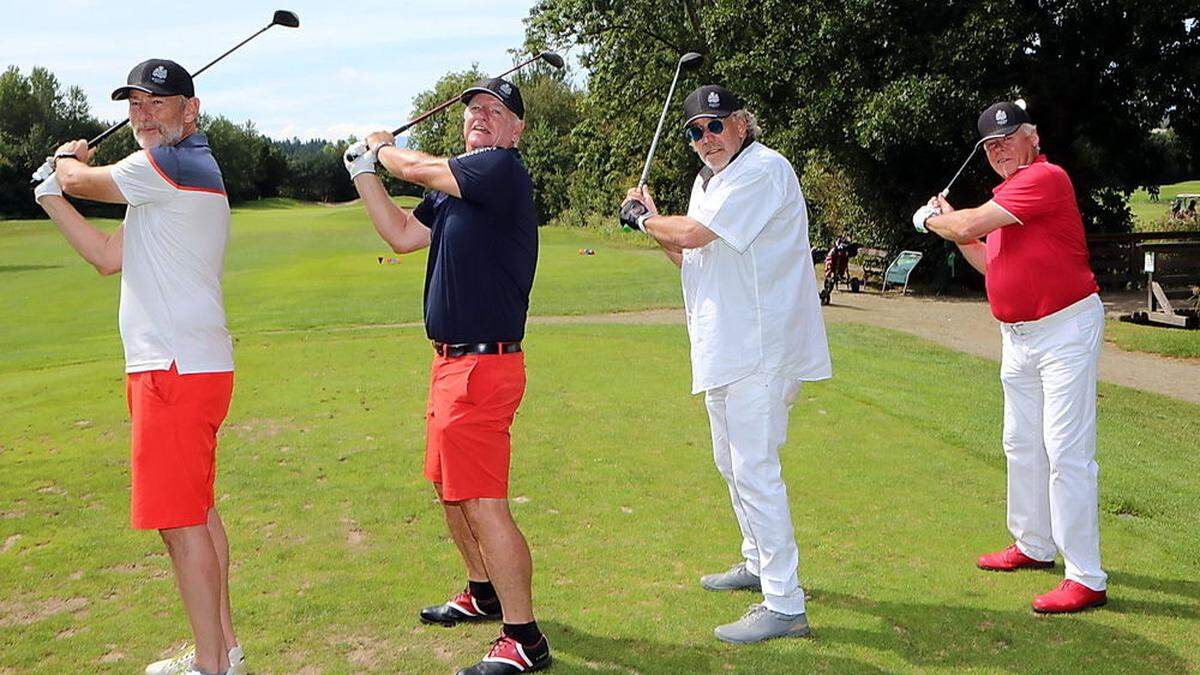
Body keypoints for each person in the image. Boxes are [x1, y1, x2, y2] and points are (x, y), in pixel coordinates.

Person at [32, 59, 247, 675]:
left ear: (191, 110)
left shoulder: (173, 163)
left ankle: (211, 665)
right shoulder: (160, 180)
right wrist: (50, 194)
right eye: (135, 104)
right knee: (197, 514)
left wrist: (65, 165)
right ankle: (222, 649)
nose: (144, 114)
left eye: (158, 102)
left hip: (174, 370)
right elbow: (106, 256)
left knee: (181, 525)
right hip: (180, 365)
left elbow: (87, 180)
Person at [344, 77, 549, 674]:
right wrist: (364, 174)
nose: (481, 116)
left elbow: (422, 169)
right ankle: (482, 591)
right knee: (448, 486)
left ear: (515, 128)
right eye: (473, 110)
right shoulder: (457, 190)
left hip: (485, 366)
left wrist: (383, 149)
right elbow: (403, 235)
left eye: (495, 109)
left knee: (484, 499)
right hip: (449, 363)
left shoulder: (500, 171)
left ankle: (525, 639)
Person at [619, 85, 832, 643]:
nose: (705, 139)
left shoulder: (763, 169)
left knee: (755, 469)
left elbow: (693, 234)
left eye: (715, 126)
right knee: (730, 461)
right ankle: (759, 561)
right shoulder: (708, 181)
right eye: (694, 132)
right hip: (723, 343)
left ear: (741, 123)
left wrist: (644, 219)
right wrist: (656, 218)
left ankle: (784, 602)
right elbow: (689, 253)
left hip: (760, 345)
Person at [914, 101, 1107, 614]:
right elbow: (983, 255)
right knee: (1020, 443)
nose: (1000, 151)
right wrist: (951, 223)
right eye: (991, 146)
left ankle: (1086, 575)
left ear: (1032, 137)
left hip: (1064, 328)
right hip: (1018, 336)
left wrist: (938, 219)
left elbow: (963, 227)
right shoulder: (1007, 197)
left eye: (1008, 139)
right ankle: (1033, 545)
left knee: (1066, 450)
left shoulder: (1044, 179)